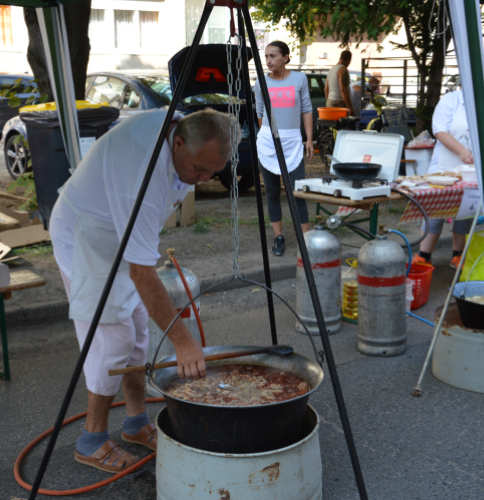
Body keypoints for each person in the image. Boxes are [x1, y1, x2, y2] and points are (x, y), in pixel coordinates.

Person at [49, 108, 239, 473]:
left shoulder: (181, 130)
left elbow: (139, 265)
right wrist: (184, 341)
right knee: (111, 339)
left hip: (118, 234)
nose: (201, 179)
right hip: (87, 237)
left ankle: (135, 423)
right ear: (178, 143)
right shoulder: (143, 169)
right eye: (199, 168)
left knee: (137, 331)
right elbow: (142, 272)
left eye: (211, 173)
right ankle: (92, 439)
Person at [412, 90, 484, 268]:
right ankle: (424, 255)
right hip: (444, 166)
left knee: (467, 206)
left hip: (474, 167)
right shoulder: (450, 100)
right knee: (434, 208)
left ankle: (458, 255)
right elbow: (440, 130)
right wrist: (462, 151)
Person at [254, 40, 313, 256]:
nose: (268, 60)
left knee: (298, 193)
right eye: (266, 56)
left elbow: (306, 108)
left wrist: (309, 139)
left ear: (286, 57)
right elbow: (259, 112)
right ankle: (279, 237)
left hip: (293, 142)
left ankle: (305, 240)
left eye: (273, 56)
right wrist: (266, 136)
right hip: (268, 142)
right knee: (271, 192)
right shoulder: (260, 82)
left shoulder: (299, 79)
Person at [324, 50, 355, 116]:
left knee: (332, 125)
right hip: (339, 102)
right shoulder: (343, 69)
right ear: (349, 59)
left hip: (330, 101)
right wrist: (350, 107)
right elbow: (343, 90)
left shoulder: (331, 69)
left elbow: (326, 89)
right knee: (341, 125)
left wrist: (329, 101)